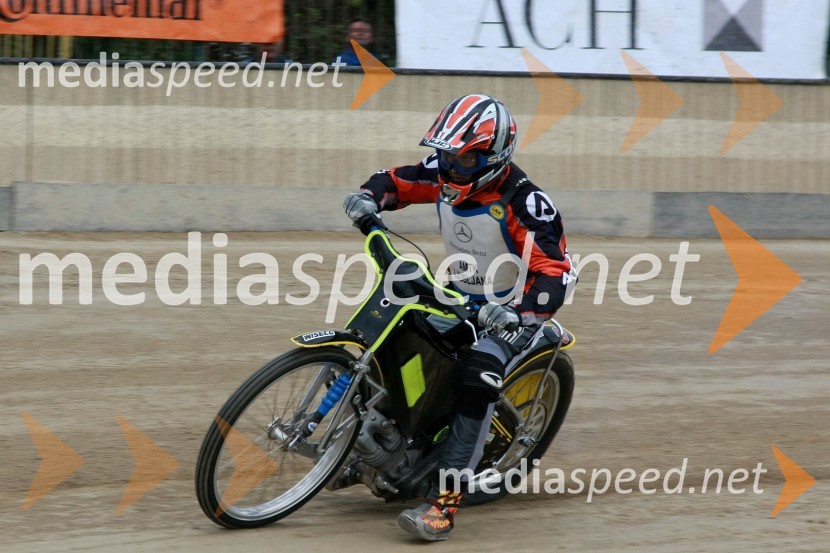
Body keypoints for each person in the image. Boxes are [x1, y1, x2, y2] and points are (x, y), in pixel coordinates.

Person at [343, 94, 576, 541]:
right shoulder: (445, 173)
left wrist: (519, 314)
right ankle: (371, 444)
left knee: (478, 373)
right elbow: (395, 180)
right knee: (396, 332)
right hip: (461, 294)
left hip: (517, 306)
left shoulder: (526, 203)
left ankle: (445, 504)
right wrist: (367, 199)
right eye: (446, 155)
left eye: (465, 159)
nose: (451, 168)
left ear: (494, 155)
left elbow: (555, 272)